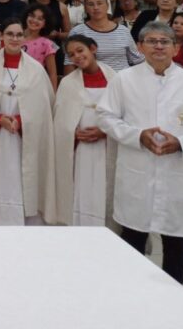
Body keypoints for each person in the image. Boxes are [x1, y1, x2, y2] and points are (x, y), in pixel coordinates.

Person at [97, 21, 183, 284]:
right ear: (140, 47)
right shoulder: (124, 80)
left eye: (165, 41)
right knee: (131, 243)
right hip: (136, 174)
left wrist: (181, 143)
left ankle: (172, 307)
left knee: (176, 248)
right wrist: (137, 135)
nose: (158, 46)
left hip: (175, 176)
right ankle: (131, 301)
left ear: (176, 49)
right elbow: (105, 116)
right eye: (152, 41)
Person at [0, 19, 56, 226]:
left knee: (24, 179)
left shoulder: (36, 69)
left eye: (18, 34)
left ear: (24, 38)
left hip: (23, 136)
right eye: (10, 34)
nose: (14, 38)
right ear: (1, 36)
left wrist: (23, 121)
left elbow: (44, 105)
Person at [54, 35, 117, 227]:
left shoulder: (116, 79)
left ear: (93, 48)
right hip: (80, 150)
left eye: (80, 50)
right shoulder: (68, 83)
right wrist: (72, 132)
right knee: (81, 189)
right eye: (72, 54)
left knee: (103, 189)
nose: (77, 57)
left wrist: (104, 131)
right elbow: (60, 119)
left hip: (107, 146)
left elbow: (126, 115)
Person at [69, 0, 143, 72]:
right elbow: (69, 63)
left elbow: (137, 59)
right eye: (91, 4)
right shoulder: (77, 32)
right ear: (85, 8)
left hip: (122, 81)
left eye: (100, 3)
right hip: (92, 81)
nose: (96, 7)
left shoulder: (123, 30)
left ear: (107, 6)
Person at [22, 4, 59, 91]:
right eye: (32, 16)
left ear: (45, 24)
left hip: (35, 87)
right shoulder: (15, 37)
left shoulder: (47, 44)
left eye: (40, 19)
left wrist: (53, 97)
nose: (34, 20)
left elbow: (52, 74)